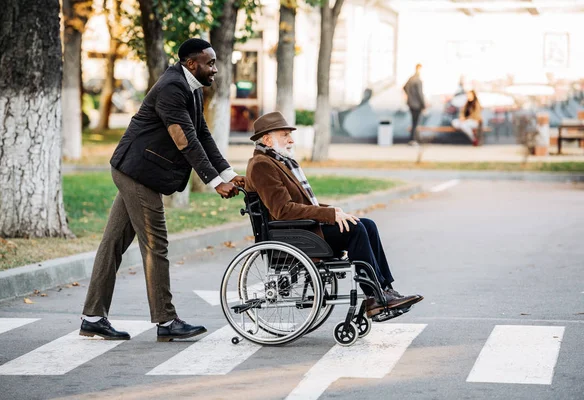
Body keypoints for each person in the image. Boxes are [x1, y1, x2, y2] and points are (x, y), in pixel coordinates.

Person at [79, 38, 245, 342]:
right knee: (156, 243)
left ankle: (92, 318)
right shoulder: (172, 87)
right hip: (137, 173)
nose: (215, 69)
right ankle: (166, 321)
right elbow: (184, 140)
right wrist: (214, 182)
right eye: (210, 63)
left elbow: (202, 134)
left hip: (138, 169)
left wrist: (228, 173)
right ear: (192, 63)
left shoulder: (190, 87)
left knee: (113, 243)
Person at [245, 112, 423, 319]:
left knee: (366, 224)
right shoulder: (262, 165)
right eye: (285, 135)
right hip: (293, 233)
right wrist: (328, 214)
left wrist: (335, 211)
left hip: (303, 228)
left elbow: (301, 203)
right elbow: (282, 210)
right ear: (267, 139)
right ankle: (374, 297)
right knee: (355, 229)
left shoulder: (278, 161)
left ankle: (385, 290)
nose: (291, 140)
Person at [403, 64, 426, 145]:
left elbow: (404, 87)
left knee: (413, 122)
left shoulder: (411, 79)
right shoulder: (418, 80)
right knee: (416, 122)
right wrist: (423, 104)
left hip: (410, 103)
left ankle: (414, 139)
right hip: (417, 104)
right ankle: (414, 140)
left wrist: (410, 96)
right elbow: (420, 94)